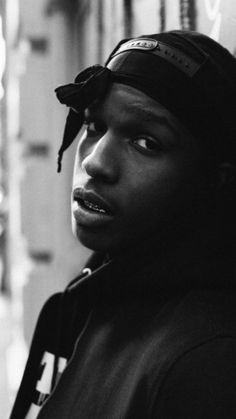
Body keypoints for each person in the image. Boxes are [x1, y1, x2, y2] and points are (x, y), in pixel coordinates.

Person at [10, 30, 236, 419]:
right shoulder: (82, 304)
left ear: (214, 180)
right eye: (94, 126)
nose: (96, 162)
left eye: (146, 142)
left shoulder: (207, 360)